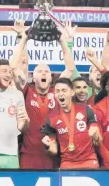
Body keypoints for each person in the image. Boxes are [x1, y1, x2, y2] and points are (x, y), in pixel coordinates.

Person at [10, 20, 75, 169]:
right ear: (33, 77)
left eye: (47, 71)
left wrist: (62, 41)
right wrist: (24, 38)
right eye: (40, 71)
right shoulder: (27, 90)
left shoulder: (57, 92)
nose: (44, 73)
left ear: (51, 78)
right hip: (28, 154)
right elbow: (13, 67)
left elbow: (70, 69)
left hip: (52, 154)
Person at [42, 78, 101, 169]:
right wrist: (47, 146)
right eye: (57, 91)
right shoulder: (51, 117)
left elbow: (98, 140)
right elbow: (53, 151)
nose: (60, 93)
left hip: (89, 160)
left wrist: (95, 134)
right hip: (67, 162)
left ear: (72, 92)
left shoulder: (86, 109)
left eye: (64, 90)